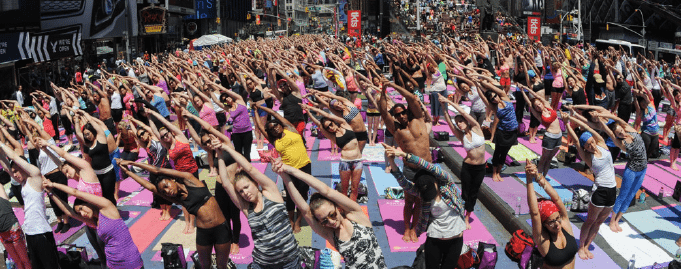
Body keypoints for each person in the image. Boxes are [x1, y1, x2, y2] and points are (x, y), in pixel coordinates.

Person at [273, 159, 387, 269]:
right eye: (324, 221)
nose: (331, 222)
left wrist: (289, 169)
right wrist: (283, 175)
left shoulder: (356, 215)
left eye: (332, 214)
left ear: (337, 207)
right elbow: (304, 209)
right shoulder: (329, 234)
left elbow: (326, 190)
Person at [118, 160, 231, 269]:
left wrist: (132, 163)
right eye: (164, 191)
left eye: (166, 186)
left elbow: (157, 170)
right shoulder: (180, 200)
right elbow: (150, 187)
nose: (167, 191)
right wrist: (128, 172)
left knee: (222, 266)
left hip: (221, 229)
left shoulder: (190, 179)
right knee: (205, 266)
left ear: (172, 179)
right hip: (203, 233)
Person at [213, 139, 301, 268]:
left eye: (247, 187)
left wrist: (228, 149)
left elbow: (249, 168)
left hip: (289, 262)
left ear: (255, 182)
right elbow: (226, 183)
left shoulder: (271, 193)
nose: (245, 193)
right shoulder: (247, 208)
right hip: (262, 263)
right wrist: (219, 154)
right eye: (241, 191)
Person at [384, 144, 467, 269]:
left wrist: (404, 155)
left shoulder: (448, 184)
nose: (429, 195)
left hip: (455, 241)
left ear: (435, 181)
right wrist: (391, 162)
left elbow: (427, 165)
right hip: (434, 240)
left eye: (430, 190)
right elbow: (403, 182)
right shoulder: (421, 193)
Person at [43, 181, 144, 269]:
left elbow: (75, 192)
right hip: (112, 264)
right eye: (79, 213)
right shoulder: (94, 221)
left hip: (131, 261)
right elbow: (69, 212)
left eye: (82, 208)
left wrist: (53, 184)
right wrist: (50, 192)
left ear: (88, 202)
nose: (82, 214)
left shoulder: (108, 208)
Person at [379, 79, 432, 243]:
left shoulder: (417, 118)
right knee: (409, 201)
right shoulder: (395, 128)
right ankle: (407, 228)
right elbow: (382, 111)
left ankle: (415, 228)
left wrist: (394, 85)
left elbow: (411, 99)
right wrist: (383, 90)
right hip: (410, 169)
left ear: (407, 112)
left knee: (420, 200)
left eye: (403, 112)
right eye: (397, 115)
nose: (401, 116)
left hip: (427, 169)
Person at [0, 142, 61, 269]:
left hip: (42, 232)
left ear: (24, 167)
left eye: (16, 171)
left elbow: (15, 158)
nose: (14, 175)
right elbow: (6, 167)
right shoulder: (23, 183)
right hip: (30, 233)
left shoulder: (35, 176)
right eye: (14, 172)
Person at [564, 113, 617, 260]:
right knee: (590, 221)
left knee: (599, 222)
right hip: (600, 191)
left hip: (612, 190)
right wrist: (567, 123)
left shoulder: (602, 145)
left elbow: (589, 127)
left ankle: (587, 246)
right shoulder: (588, 157)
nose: (592, 145)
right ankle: (581, 247)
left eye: (592, 142)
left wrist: (574, 116)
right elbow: (576, 140)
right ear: (585, 148)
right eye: (588, 144)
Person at [252, 104, 311, 234]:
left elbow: (277, 115)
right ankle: (290, 220)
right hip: (288, 170)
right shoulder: (274, 140)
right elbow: (261, 128)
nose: (274, 128)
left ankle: (298, 221)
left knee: (303, 195)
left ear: (280, 124)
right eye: (271, 129)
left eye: (276, 125)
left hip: (304, 167)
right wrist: (256, 112)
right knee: (290, 196)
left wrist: (263, 108)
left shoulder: (291, 129)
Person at [146, 108, 198, 234]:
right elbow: (155, 132)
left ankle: (192, 223)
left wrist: (154, 113)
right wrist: (149, 118)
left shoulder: (180, 136)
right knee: (184, 199)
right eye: (163, 136)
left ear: (171, 132)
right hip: (180, 174)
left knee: (194, 198)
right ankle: (187, 223)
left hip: (192, 172)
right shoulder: (167, 145)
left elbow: (167, 124)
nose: (165, 136)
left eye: (166, 134)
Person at [440, 96, 486, 229]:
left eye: (461, 121)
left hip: (480, 168)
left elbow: (465, 112)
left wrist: (449, 102)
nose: (459, 124)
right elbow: (449, 123)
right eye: (457, 122)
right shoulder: (461, 136)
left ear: (466, 121)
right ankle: (460, 212)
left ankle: (467, 217)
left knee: (474, 193)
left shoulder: (477, 128)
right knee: (465, 193)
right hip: (468, 167)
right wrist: (444, 109)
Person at [596, 113, 647, 233]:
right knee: (623, 195)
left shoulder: (631, 129)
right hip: (632, 171)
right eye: (619, 134)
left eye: (621, 130)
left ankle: (618, 219)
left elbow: (618, 119)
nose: (622, 133)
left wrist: (600, 114)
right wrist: (600, 121)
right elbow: (608, 132)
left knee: (631, 195)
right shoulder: (621, 143)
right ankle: (611, 220)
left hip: (643, 169)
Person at [304, 104, 364, 202]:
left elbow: (330, 116)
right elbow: (319, 125)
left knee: (354, 188)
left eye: (331, 124)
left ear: (333, 122)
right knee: (344, 189)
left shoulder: (344, 124)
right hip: (345, 162)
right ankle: (344, 207)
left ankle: (353, 208)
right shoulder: (332, 136)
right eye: (328, 127)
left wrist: (311, 107)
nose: (330, 128)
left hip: (358, 161)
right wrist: (308, 112)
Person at [525, 160, 578, 269]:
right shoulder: (542, 239)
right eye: (551, 222)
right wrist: (529, 180)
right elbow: (535, 213)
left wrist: (537, 175)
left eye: (557, 218)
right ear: (544, 224)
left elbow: (556, 198)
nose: (557, 224)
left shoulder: (564, 223)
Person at [127, 116, 173, 221]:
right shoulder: (144, 144)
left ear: (147, 132)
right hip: (153, 171)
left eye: (143, 133)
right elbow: (136, 134)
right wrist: (130, 122)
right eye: (140, 136)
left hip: (164, 169)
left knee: (167, 189)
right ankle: (164, 211)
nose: (142, 136)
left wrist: (134, 119)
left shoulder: (155, 138)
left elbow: (144, 126)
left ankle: (168, 211)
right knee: (158, 192)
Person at [520, 85, 563, 177]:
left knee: (550, 159)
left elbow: (538, 96)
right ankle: (538, 176)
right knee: (544, 158)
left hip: (559, 136)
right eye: (536, 106)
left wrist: (525, 87)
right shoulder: (539, 115)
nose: (539, 106)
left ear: (542, 103)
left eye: (539, 104)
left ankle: (544, 176)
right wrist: (523, 92)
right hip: (550, 137)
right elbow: (529, 103)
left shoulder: (548, 106)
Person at [0, 144, 31, 269]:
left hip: (12, 228)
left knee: (24, 260)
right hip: (2, 232)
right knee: (17, 262)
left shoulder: (1, 191)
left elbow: (6, 167)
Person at [485, 81, 518, 182]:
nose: (495, 98)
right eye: (492, 99)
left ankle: (499, 172)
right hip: (502, 132)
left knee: (504, 154)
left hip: (512, 132)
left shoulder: (505, 98)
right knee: (497, 153)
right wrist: (477, 85)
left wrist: (482, 80)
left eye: (495, 96)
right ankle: (494, 173)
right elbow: (483, 97)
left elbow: (491, 86)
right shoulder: (494, 107)